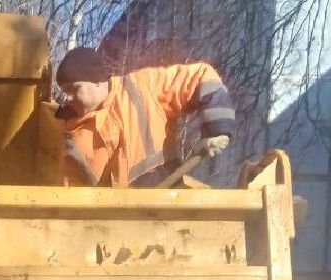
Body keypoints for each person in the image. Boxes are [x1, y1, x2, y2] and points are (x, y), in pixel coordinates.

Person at [54, 46, 235, 188]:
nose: (67, 98)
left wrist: (216, 128)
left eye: (74, 89)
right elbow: (72, 196)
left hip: (165, 209)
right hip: (114, 225)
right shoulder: (74, 134)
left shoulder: (142, 87)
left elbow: (200, 76)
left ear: (97, 81)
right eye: (65, 92)